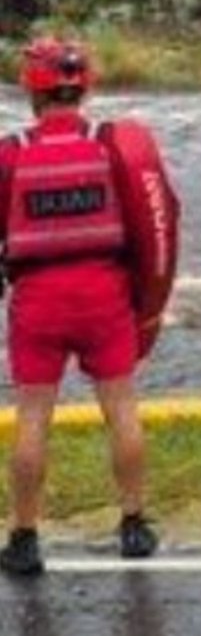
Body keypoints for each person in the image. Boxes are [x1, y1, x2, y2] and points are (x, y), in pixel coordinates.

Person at [0, 39, 160, 576]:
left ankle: (24, 539)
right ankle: (134, 525)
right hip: (105, 296)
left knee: (33, 419)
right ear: (84, 88)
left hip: (37, 301)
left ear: (32, 91)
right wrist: (147, 298)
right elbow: (148, 222)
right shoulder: (110, 146)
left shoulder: (10, 153)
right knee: (122, 411)